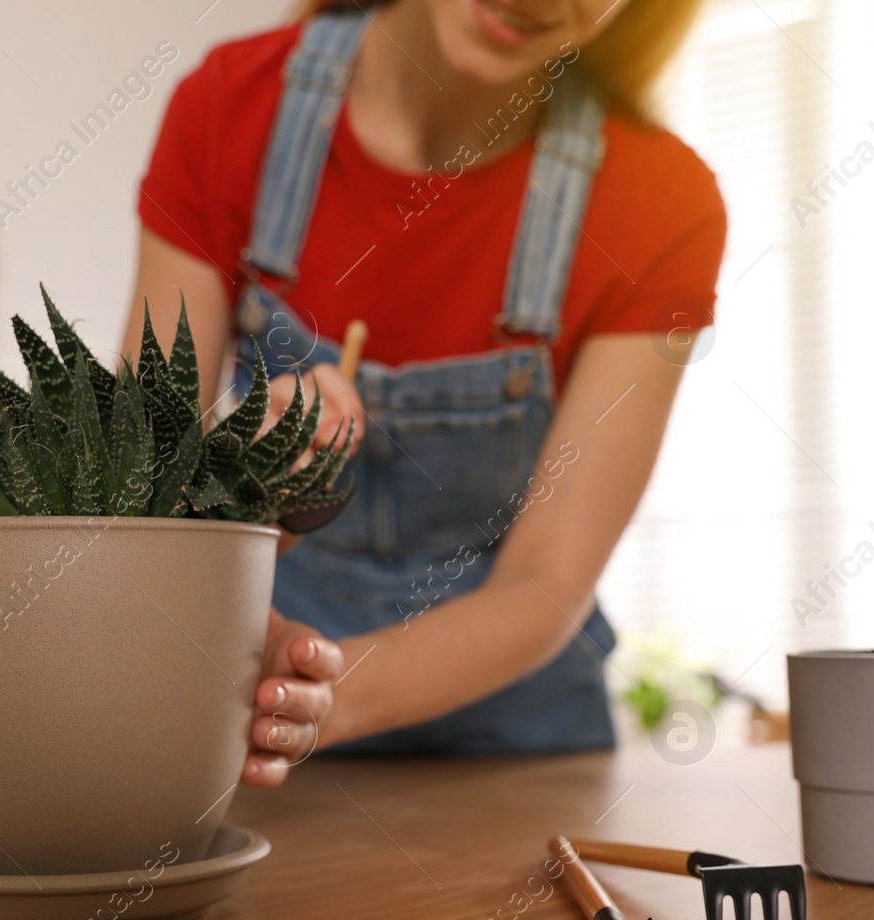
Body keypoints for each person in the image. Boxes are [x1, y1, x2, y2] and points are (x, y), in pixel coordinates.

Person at [124, 0, 725, 786]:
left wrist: (317, 695)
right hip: (253, 749)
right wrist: (240, 478)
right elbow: (138, 491)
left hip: (517, 764)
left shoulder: (662, 201)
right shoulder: (226, 108)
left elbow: (546, 580)